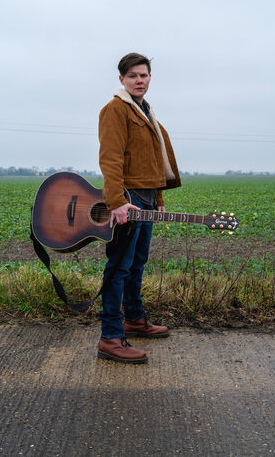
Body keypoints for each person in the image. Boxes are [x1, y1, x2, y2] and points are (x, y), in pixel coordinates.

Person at [96, 52, 181, 364]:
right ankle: (110, 336)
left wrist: (158, 199)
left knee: (137, 262)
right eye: (133, 76)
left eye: (143, 75)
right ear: (122, 80)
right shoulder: (115, 110)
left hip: (146, 196)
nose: (139, 80)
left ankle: (134, 320)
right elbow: (111, 158)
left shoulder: (145, 111)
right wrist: (116, 202)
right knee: (119, 266)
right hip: (127, 197)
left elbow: (151, 161)